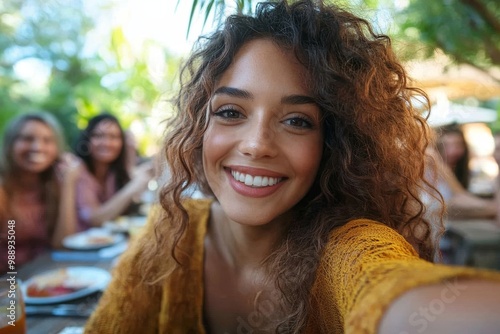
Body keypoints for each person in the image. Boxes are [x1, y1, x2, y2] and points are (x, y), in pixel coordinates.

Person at [85, 1, 500, 333]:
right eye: (231, 111)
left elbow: (397, 292)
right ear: (199, 126)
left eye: (297, 121)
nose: (256, 144)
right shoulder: (168, 231)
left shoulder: (349, 249)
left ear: (334, 145)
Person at [0, 112, 81, 272]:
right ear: (10, 145)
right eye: (27, 139)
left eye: (47, 140)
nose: (37, 147)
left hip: (45, 278)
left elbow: (64, 244)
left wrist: (68, 185)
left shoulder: (53, 186)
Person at [71, 113, 154, 231]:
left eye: (114, 137)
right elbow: (95, 219)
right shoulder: (78, 170)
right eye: (99, 135)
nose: (107, 143)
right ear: (87, 139)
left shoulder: (113, 172)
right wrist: (134, 186)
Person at [436, 124, 470, 190]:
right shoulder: (428, 171)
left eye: (458, 145)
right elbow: (458, 195)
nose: (452, 151)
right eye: (445, 145)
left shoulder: (462, 171)